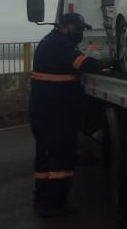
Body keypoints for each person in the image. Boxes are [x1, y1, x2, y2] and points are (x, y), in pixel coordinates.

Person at [29, 13, 108, 217]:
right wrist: (106, 62)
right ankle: (55, 204)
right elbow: (84, 65)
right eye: (78, 29)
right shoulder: (61, 44)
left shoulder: (50, 40)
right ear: (66, 27)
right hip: (54, 113)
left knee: (46, 156)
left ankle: (43, 201)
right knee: (61, 157)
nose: (80, 33)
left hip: (45, 110)